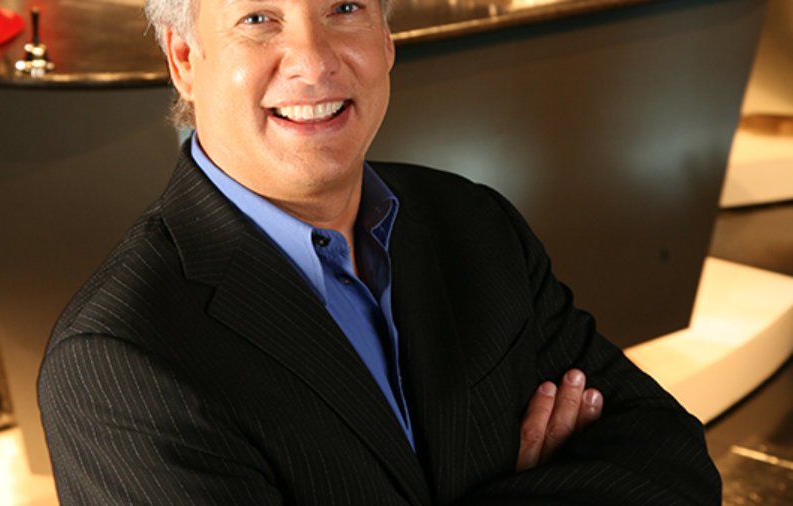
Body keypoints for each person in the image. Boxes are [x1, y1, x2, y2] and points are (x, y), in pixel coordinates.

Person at [37, 0, 721, 503]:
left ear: (386, 38)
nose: (313, 61)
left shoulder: (474, 223)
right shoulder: (120, 360)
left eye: (345, 8)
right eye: (258, 20)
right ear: (185, 60)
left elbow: (672, 458)